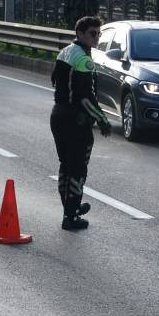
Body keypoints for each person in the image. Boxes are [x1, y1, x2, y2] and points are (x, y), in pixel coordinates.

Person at [50, 16, 111, 231]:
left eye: (98, 33)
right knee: (77, 169)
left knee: (66, 166)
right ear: (80, 34)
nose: (96, 37)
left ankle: (70, 208)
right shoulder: (84, 60)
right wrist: (102, 119)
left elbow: (56, 82)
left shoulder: (65, 52)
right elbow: (85, 97)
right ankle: (71, 216)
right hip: (74, 120)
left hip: (58, 116)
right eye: (93, 33)